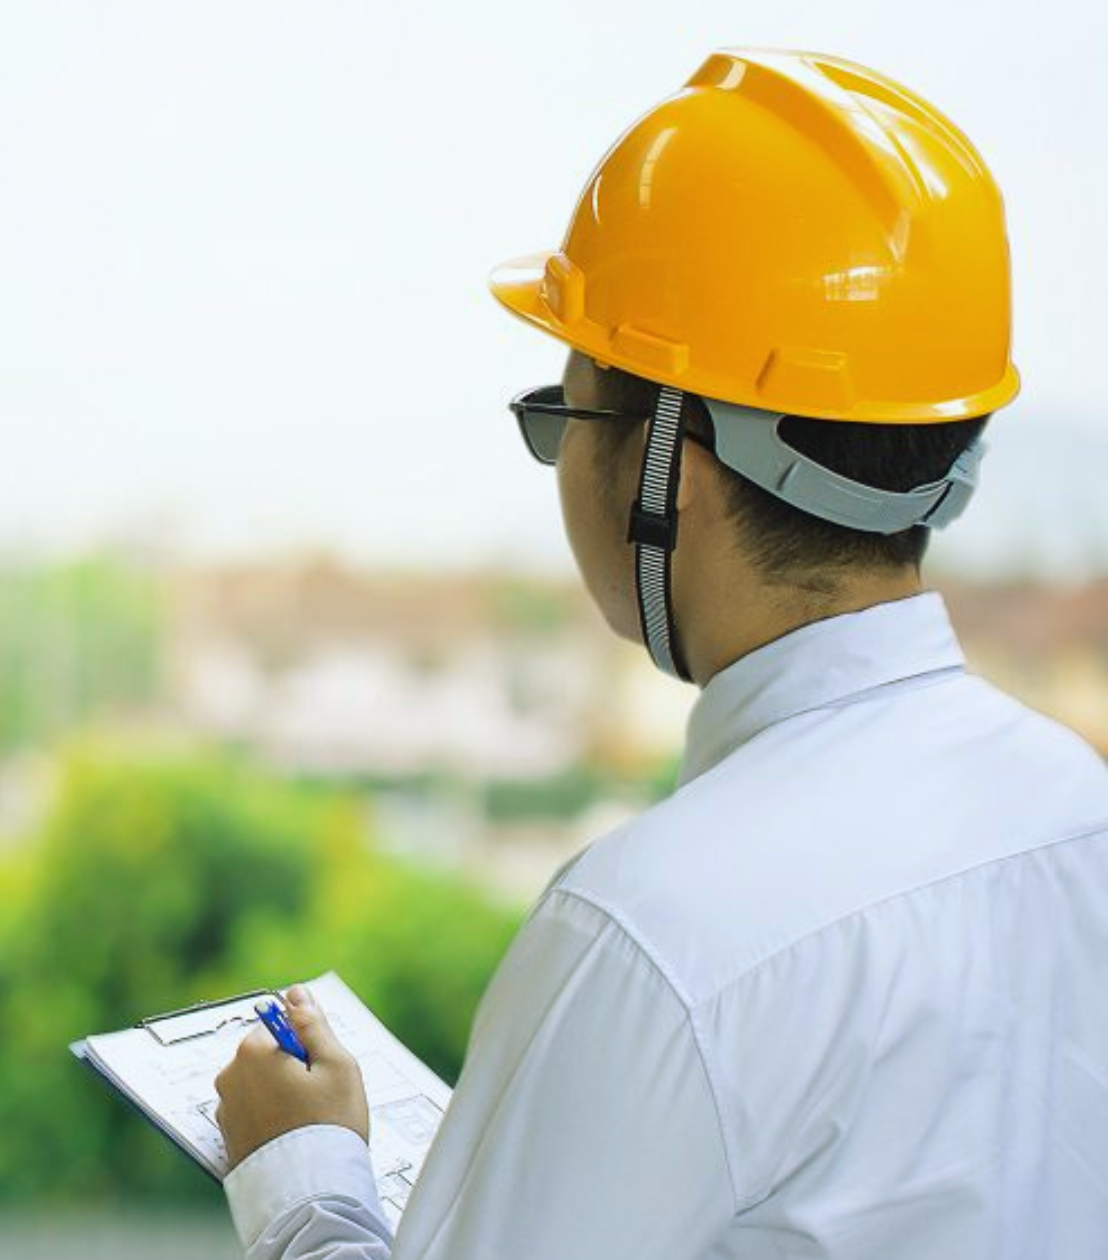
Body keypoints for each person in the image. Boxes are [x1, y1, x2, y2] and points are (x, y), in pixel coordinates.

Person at [212, 47, 1108, 1259]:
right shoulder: (1073, 809)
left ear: (663, 468)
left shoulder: (646, 940)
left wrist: (301, 1177)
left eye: (562, 410)